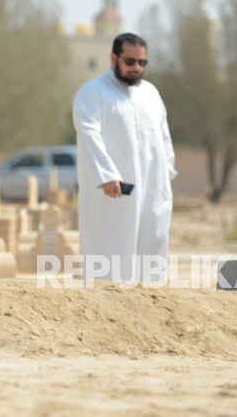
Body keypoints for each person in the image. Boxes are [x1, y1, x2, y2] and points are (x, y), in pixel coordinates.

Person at [72, 33, 176, 281]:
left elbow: (164, 138)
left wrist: (166, 174)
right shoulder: (93, 92)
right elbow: (90, 136)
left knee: (152, 255)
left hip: (152, 192)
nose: (136, 68)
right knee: (109, 260)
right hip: (111, 194)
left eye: (142, 63)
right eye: (130, 61)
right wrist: (107, 175)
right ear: (113, 58)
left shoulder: (151, 93)